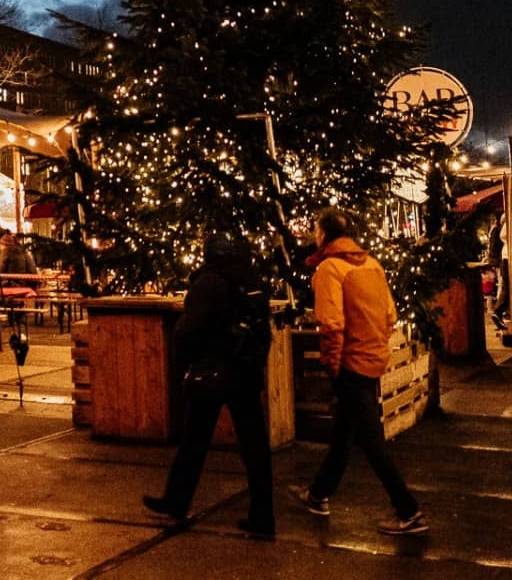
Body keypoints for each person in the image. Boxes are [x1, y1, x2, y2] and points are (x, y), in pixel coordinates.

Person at [291, 208, 429, 537]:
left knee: (370, 440)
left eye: (315, 230)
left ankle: (407, 509)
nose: (313, 235)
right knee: (343, 432)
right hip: (372, 358)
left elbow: (332, 324)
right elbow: (390, 314)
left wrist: (331, 364)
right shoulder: (372, 264)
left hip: (351, 363)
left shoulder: (330, 269)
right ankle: (318, 494)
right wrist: (375, 346)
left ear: (324, 235)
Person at [143, 232, 275, 537]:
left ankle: (176, 502)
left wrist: (184, 360)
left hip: (212, 371)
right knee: (254, 446)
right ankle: (263, 515)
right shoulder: (252, 281)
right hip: (244, 372)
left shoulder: (209, 283)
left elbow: (191, 330)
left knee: (195, 440)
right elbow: (262, 329)